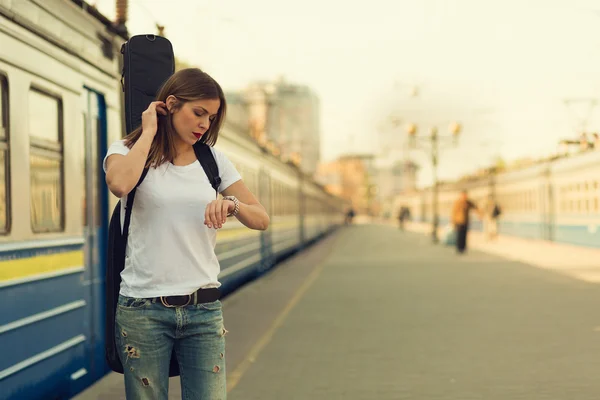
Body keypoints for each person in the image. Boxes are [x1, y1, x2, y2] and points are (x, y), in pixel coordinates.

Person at [103, 68, 270, 399]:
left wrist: (231, 204)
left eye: (211, 117)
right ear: (171, 104)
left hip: (203, 311)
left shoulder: (212, 161)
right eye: (198, 113)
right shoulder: (126, 150)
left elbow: (261, 219)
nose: (204, 125)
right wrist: (149, 131)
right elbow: (120, 184)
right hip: (142, 309)